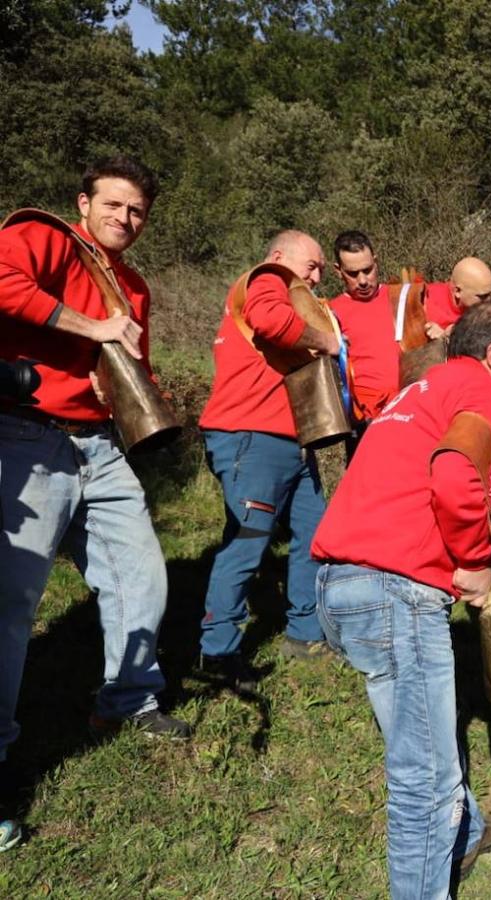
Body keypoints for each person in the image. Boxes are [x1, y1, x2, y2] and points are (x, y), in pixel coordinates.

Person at [312, 301, 491, 898]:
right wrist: (475, 565)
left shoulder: (420, 390)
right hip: (395, 590)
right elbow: (458, 472)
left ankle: (469, 832)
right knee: (423, 776)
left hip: (339, 581)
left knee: (423, 736)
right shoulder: (483, 392)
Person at [1, 155, 192, 786]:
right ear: (83, 203)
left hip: (99, 444)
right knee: (11, 599)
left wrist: (118, 383)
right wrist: (93, 329)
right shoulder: (48, 240)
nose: (124, 217)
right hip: (27, 436)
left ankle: (127, 703)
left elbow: (133, 361)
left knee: (142, 575)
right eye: (112, 204)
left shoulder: (133, 285)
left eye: (136, 210)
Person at [196, 231, 340, 690]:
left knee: (312, 536)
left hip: (295, 443)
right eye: (312, 265)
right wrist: (326, 340)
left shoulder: (290, 289)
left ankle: (305, 632)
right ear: (279, 257)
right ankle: (217, 651)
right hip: (251, 438)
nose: (316, 277)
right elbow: (271, 322)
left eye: (320, 269)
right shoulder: (267, 280)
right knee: (248, 541)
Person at [327, 230, 454, 423]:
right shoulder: (330, 312)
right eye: (353, 274)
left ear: (376, 262)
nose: (362, 280)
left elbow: (459, 330)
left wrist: (443, 334)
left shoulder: (404, 296)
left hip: (416, 410)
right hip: (366, 420)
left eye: (367, 270)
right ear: (338, 271)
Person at [425, 256, 491, 332]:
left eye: (490, 294)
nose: (489, 301)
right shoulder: (423, 303)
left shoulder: (487, 312)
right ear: (457, 291)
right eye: (482, 296)